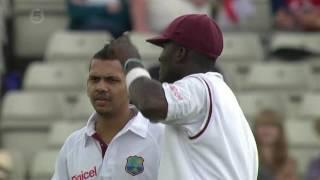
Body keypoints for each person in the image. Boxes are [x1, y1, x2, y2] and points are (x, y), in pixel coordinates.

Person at [109, 14, 258, 180]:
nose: (160, 57)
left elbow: (150, 103)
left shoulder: (201, 86)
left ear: (180, 53)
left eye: (165, 48)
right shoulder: (223, 96)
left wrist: (131, 61)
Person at [52, 44, 163, 180]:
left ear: (131, 87)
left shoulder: (160, 137)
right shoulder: (73, 145)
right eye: (94, 79)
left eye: (112, 80)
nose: (101, 87)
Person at [254, 110, 298, 180]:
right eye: (262, 125)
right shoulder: (250, 159)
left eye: (271, 125)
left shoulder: (289, 163)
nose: (266, 130)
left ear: (280, 131)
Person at [67, 0, 131, 37]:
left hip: (117, 31)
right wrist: (105, 9)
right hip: (85, 30)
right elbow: (76, 13)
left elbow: (125, 14)